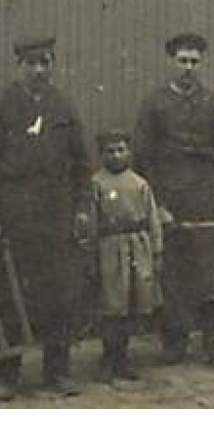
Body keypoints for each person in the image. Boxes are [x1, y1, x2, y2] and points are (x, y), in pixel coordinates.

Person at [0, 35, 92, 401]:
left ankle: (56, 370)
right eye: (32, 63)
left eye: (45, 62)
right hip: (15, 209)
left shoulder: (64, 106)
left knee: (59, 291)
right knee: (12, 290)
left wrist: (82, 208)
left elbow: (81, 164)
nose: (39, 70)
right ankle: (7, 371)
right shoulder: (1, 105)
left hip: (56, 210)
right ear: (19, 65)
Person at [134, 32, 214, 375]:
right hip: (171, 197)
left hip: (207, 197)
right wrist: (159, 204)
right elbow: (144, 157)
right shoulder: (154, 104)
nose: (188, 67)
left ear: (202, 63)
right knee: (174, 273)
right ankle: (175, 342)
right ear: (171, 62)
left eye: (195, 61)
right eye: (183, 60)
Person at [87, 128, 164, 383]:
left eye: (121, 150)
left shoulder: (140, 184)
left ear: (129, 152)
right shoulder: (96, 183)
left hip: (137, 248)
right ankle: (108, 357)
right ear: (101, 155)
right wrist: (92, 254)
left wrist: (156, 250)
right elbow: (92, 222)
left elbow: (153, 219)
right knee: (112, 305)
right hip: (110, 250)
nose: (116, 155)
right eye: (110, 151)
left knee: (132, 303)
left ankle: (123, 357)